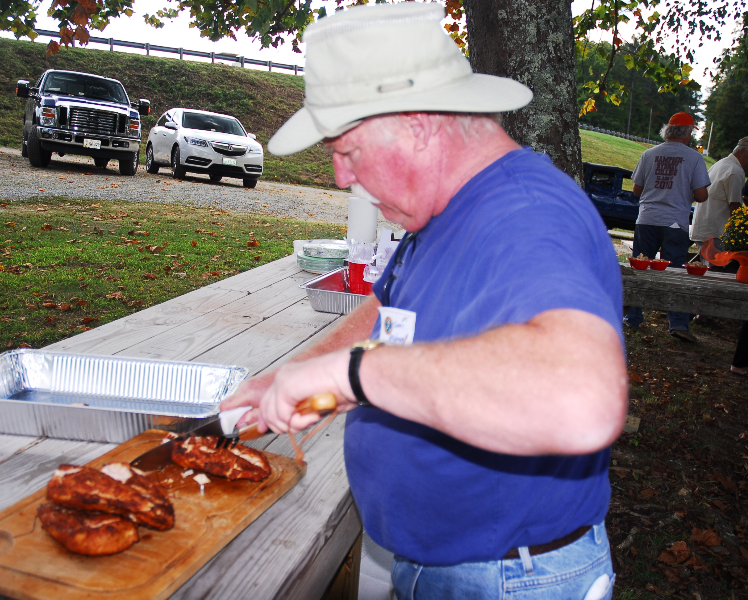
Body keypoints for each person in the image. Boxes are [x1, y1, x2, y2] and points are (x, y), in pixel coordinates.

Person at [221, 4, 628, 598]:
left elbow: (582, 399)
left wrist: (351, 375)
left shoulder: (526, 214)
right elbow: (389, 313)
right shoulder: (444, 208)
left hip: (508, 578)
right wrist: (293, 377)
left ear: (416, 124)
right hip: (450, 565)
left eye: (347, 151)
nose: (339, 177)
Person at [623, 112, 710, 342]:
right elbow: (702, 195)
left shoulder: (649, 154)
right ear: (687, 133)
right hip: (675, 222)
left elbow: (636, 190)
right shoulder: (694, 158)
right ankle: (678, 323)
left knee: (641, 269)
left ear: (668, 130)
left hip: (647, 218)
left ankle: (634, 317)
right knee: (676, 273)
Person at [690, 138, 748, 258]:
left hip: (705, 229)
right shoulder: (735, 171)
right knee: (715, 268)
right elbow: (735, 207)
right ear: (742, 152)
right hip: (716, 233)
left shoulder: (721, 163)